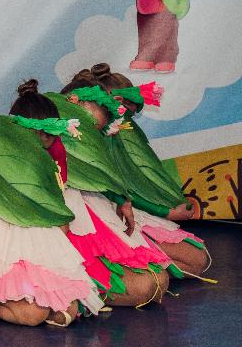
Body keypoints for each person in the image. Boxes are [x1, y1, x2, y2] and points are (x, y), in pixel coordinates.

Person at [0, 80, 105, 327]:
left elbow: (55, 203)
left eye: (50, 136)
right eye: (40, 134)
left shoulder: (51, 158)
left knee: (67, 309)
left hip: (38, 234)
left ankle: (27, 298)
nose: (44, 141)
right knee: (32, 315)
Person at [49, 74, 174, 307]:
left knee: (158, 280)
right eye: (85, 128)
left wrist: (121, 197)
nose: (88, 140)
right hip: (59, 209)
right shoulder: (45, 129)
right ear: (72, 103)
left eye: (95, 132)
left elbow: (105, 174)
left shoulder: (100, 150)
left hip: (91, 201)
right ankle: (79, 290)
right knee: (144, 288)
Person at [90, 64, 211, 278]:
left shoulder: (124, 129)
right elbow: (114, 187)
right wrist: (165, 212)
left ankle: (145, 269)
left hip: (130, 208)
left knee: (197, 260)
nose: (125, 116)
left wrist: (168, 203)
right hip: (104, 211)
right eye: (124, 108)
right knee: (158, 277)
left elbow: (142, 174)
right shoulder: (95, 134)